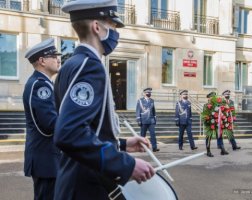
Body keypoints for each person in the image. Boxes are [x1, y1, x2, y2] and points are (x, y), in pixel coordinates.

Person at [53, 0, 155, 199]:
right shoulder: (90, 66)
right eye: (112, 26)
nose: (116, 33)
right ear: (97, 27)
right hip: (86, 185)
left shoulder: (71, 64)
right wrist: (126, 164)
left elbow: (88, 128)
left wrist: (122, 144)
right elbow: (69, 133)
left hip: (74, 180)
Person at [23, 38, 61, 200]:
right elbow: (50, 124)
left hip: (47, 157)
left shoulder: (44, 83)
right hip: (46, 158)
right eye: (53, 56)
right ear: (42, 61)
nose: (58, 59)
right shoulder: (41, 85)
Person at [203, 91, 228, 157]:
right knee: (208, 137)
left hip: (217, 124)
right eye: (212, 97)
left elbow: (222, 113)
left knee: (219, 136)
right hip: (209, 124)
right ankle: (208, 151)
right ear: (209, 98)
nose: (214, 98)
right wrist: (207, 121)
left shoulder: (218, 106)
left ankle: (222, 149)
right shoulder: (206, 105)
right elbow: (204, 115)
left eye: (214, 96)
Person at [136, 88, 160, 152]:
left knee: (153, 134)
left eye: (149, 93)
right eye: (147, 93)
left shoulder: (152, 100)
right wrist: (138, 120)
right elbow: (138, 110)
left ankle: (154, 148)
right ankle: (142, 148)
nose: (148, 94)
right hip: (143, 120)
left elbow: (153, 110)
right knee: (142, 135)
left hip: (151, 120)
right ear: (144, 93)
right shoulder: (140, 101)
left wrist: (155, 119)